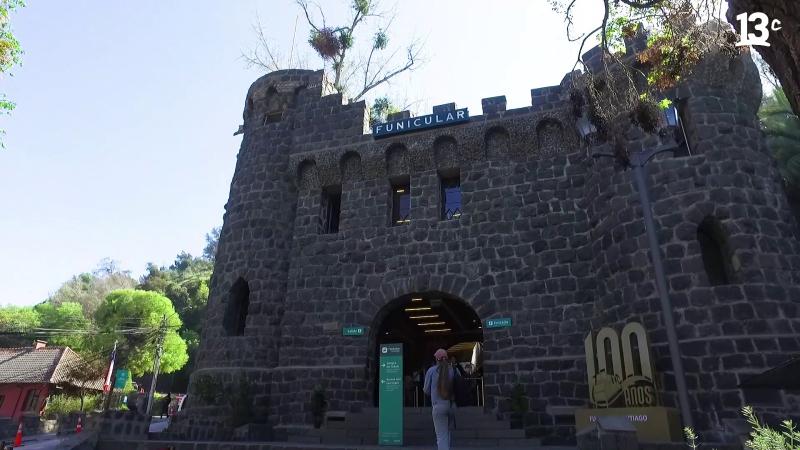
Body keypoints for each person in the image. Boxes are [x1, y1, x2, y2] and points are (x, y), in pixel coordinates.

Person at [423, 348, 455, 450]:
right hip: (450, 405)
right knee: (447, 433)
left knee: (441, 435)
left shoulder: (431, 371)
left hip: (437, 405)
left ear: (436, 359)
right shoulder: (451, 370)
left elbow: (426, 390)